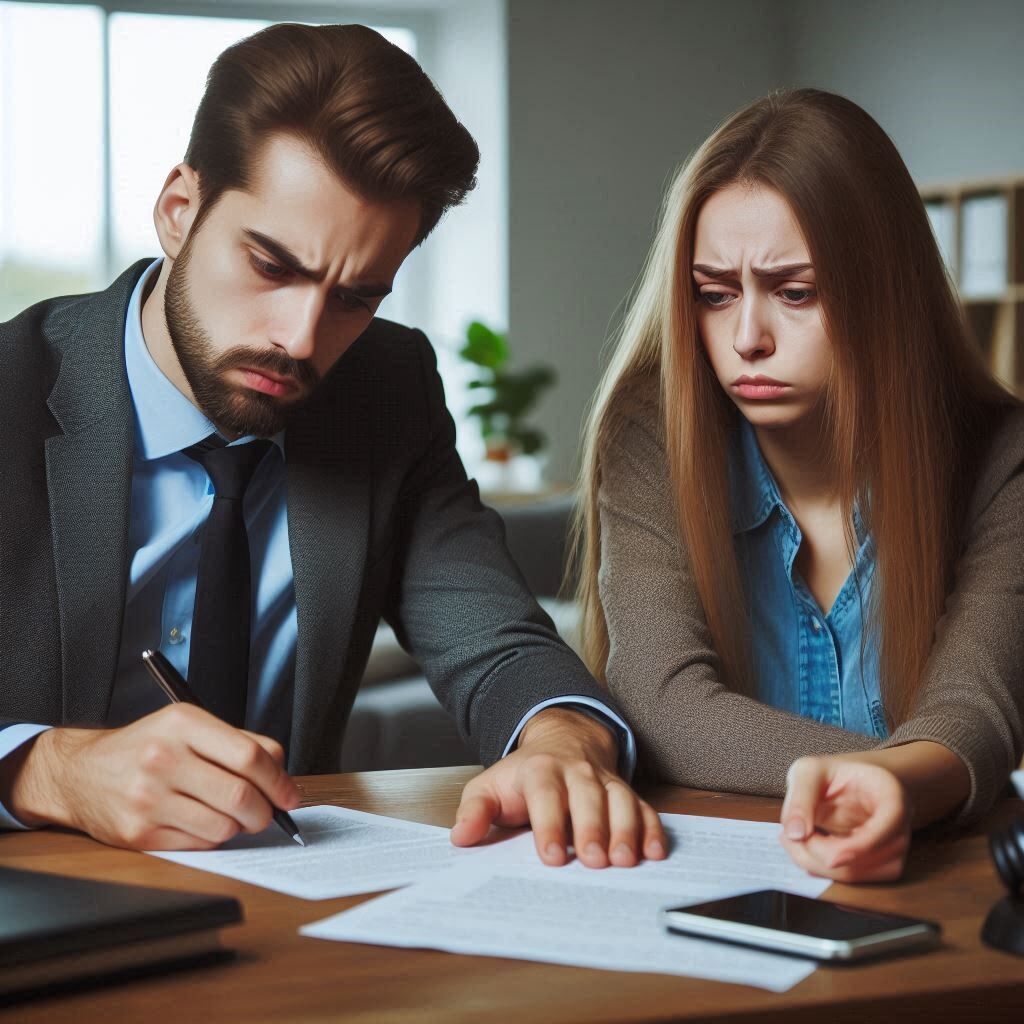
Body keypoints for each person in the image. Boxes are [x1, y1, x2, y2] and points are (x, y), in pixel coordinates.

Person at [0, 23, 666, 868]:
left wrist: (562, 736)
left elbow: (492, 637)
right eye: (272, 266)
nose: (301, 339)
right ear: (178, 211)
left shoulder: (384, 393)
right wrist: (44, 771)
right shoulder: (12, 393)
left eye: (356, 298)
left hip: (292, 913)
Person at [574, 88, 1024, 883]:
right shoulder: (650, 437)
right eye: (714, 295)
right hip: (710, 884)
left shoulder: (1004, 457)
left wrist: (918, 775)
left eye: (796, 292)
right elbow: (664, 705)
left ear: (887, 292)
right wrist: (927, 773)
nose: (746, 338)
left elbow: (976, 703)